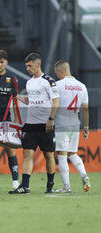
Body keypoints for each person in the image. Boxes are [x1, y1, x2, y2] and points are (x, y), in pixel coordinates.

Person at [10, 53, 59, 194]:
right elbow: (29, 101)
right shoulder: (29, 82)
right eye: (26, 66)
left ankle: (50, 184)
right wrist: (17, 96)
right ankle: (25, 186)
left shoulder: (48, 81)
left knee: (49, 156)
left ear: (38, 64)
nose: (27, 68)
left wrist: (51, 119)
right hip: (31, 124)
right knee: (27, 154)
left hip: (45, 124)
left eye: (29, 65)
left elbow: (56, 101)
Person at [54, 60, 90, 193]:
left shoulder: (58, 85)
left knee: (62, 156)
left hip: (62, 123)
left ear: (60, 71)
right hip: (75, 123)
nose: (57, 76)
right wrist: (86, 126)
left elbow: (55, 104)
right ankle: (84, 176)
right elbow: (85, 108)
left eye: (57, 73)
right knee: (73, 153)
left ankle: (66, 187)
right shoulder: (82, 86)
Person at [0, 49, 20, 190]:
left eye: (1, 62)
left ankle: (15, 181)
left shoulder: (12, 78)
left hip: (6, 119)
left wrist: (15, 120)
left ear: (6, 63)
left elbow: (16, 100)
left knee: (10, 150)